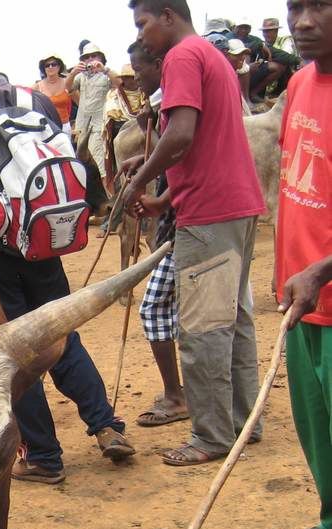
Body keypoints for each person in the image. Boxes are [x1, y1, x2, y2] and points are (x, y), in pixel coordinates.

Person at [0, 34, 135, 485]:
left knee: (13, 352)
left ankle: (42, 455)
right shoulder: (33, 99)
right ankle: (106, 425)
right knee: (58, 333)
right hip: (44, 238)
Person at [125, 0, 265, 466]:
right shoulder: (210, 55)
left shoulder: (182, 57)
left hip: (210, 215)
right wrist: (165, 197)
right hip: (235, 204)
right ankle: (246, 423)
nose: (142, 36)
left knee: (203, 327)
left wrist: (142, 177)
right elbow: (202, 142)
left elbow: (181, 134)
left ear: (168, 15)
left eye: (143, 23)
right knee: (236, 321)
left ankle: (211, 436)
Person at [274, 0, 332, 529]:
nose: (304, 21)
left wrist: (324, 268)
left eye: (321, 5)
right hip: (302, 301)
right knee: (318, 430)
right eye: (296, 6)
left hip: (327, 290)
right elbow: (298, 183)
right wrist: (289, 270)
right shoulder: (298, 82)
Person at [124, 42, 188, 429]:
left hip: (187, 224)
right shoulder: (162, 105)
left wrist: (157, 196)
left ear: (160, 64)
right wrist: (146, 162)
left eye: (139, 68)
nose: (137, 78)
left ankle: (179, 396)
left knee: (155, 308)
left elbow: (186, 157)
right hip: (182, 220)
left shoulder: (174, 104)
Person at [65, 43, 122, 178]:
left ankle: (106, 196)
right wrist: (73, 72)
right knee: (81, 161)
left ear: (101, 57)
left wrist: (105, 70)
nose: (90, 59)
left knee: (99, 163)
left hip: (99, 125)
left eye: (94, 56)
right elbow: (68, 88)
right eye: (87, 57)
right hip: (81, 126)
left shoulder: (106, 74)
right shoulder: (80, 76)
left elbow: (120, 84)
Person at [102, 63, 147, 190]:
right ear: (123, 79)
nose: (133, 80)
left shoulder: (148, 93)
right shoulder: (113, 97)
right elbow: (109, 121)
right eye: (129, 77)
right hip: (120, 135)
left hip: (145, 134)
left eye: (135, 76)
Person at [231, 17, 286, 102]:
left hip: (251, 72)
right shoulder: (228, 38)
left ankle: (253, 94)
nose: (243, 30)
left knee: (281, 66)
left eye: (246, 28)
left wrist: (261, 59)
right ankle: (244, 98)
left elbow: (278, 53)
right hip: (234, 72)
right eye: (241, 28)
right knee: (246, 62)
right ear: (235, 28)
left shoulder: (284, 41)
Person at [260, 17, 301, 96]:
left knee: (282, 64)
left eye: (269, 31)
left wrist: (271, 54)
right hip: (271, 80)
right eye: (264, 31)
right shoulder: (263, 44)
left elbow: (286, 57)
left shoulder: (286, 40)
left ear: (276, 31)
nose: (266, 34)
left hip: (288, 76)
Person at [33, 55, 73, 135]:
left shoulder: (67, 83)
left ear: (59, 66)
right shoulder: (37, 86)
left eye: (53, 64)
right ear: (44, 69)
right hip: (46, 128)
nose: (50, 67)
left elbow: (81, 103)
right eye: (47, 65)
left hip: (65, 127)